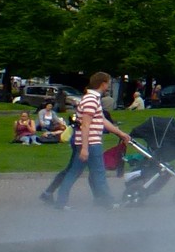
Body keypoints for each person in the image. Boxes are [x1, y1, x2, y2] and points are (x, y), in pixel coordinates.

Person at [45, 73, 133, 210]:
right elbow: (86, 125)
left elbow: (102, 120)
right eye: (108, 83)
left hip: (88, 143)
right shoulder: (91, 100)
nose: (108, 86)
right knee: (98, 173)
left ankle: (61, 202)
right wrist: (85, 148)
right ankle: (108, 201)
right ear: (103, 83)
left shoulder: (91, 99)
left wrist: (120, 133)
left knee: (74, 172)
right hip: (91, 143)